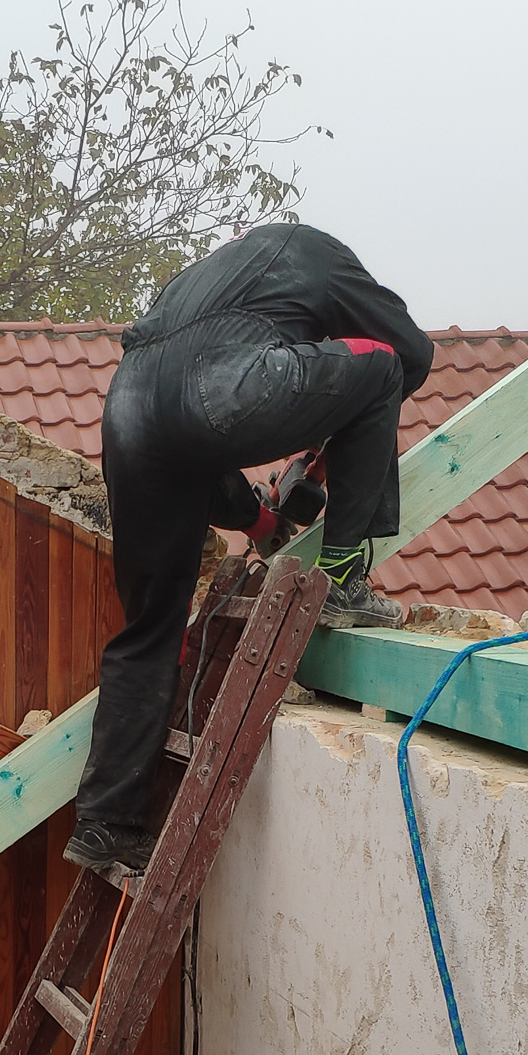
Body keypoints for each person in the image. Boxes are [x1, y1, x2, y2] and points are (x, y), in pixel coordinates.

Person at [66, 222, 435, 876]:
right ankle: (342, 579)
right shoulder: (321, 253)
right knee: (377, 368)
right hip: (218, 391)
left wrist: (262, 521)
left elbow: (188, 434)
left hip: (129, 408)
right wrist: (338, 437)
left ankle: (105, 823)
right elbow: (410, 353)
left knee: (151, 628)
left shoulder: (202, 280)